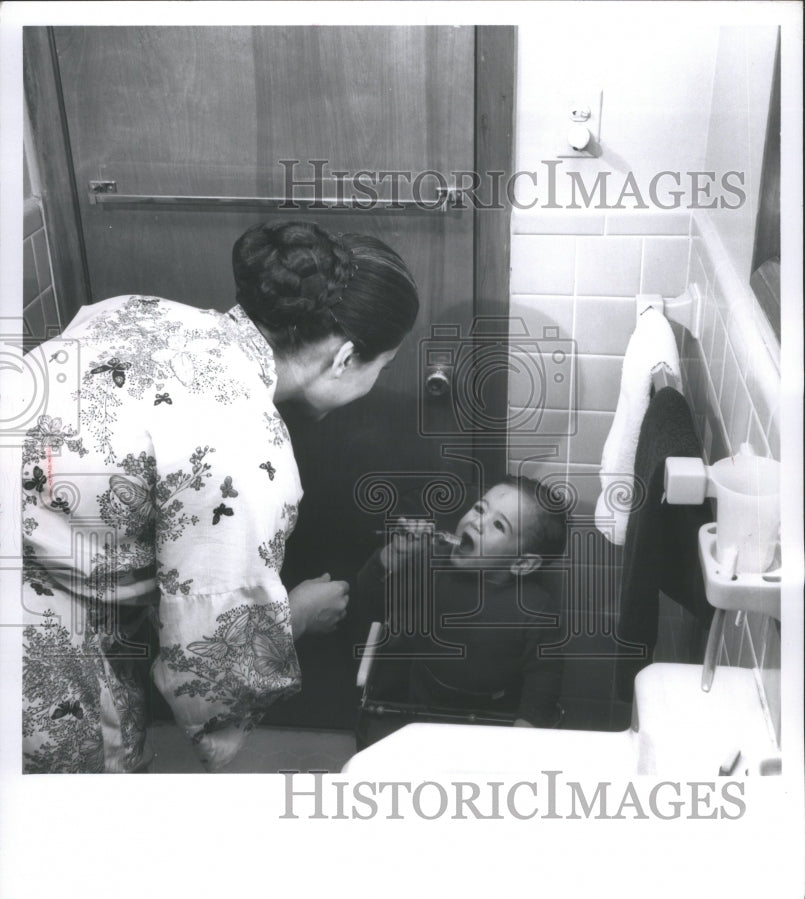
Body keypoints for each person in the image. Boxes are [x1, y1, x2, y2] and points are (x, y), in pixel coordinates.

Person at [21, 221, 419, 773]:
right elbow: (210, 663)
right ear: (345, 358)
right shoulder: (247, 455)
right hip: (37, 625)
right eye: (384, 366)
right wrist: (297, 614)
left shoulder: (138, 309)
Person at [354, 476, 567, 747]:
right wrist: (396, 555)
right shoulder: (431, 561)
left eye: (498, 525)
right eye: (480, 509)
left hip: (490, 723)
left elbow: (544, 679)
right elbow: (370, 595)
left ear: (522, 563)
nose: (476, 522)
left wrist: (522, 738)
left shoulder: (535, 609)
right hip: (419, 709)